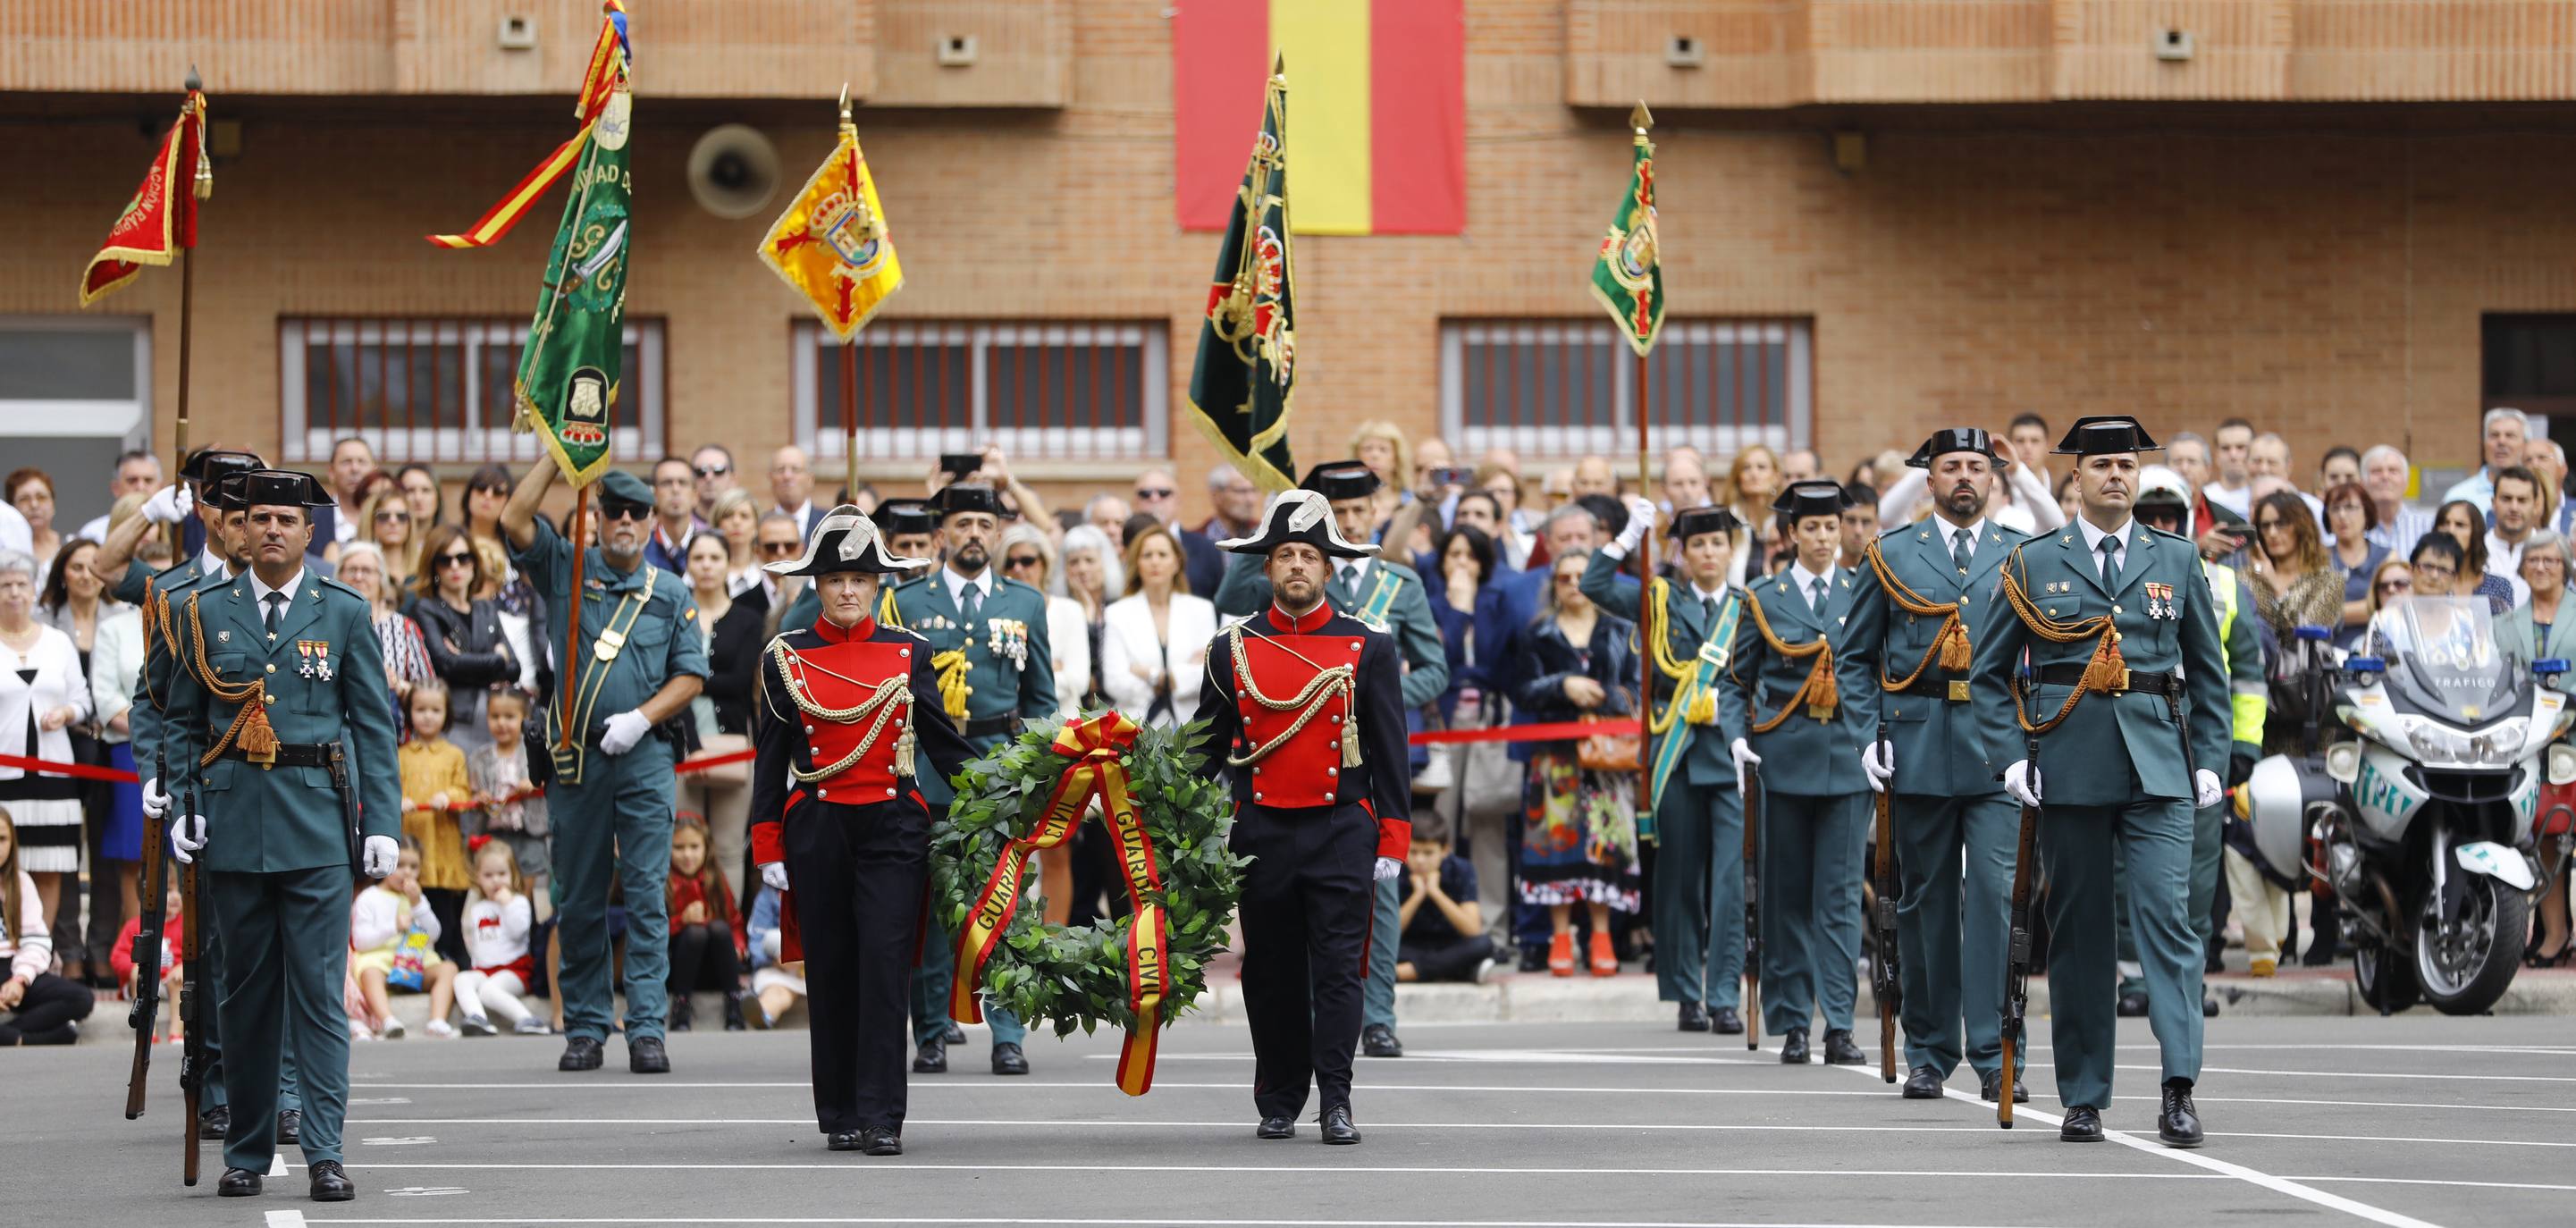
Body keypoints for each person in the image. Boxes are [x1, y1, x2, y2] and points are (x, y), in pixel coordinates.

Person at [1969, 417, 2227, 1149]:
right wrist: (2012, 758)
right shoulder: (2033, 562)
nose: (2117, 474)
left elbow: (2209, 671)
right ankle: (2084, 1095)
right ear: (2074, 479)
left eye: (2126, 463)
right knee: (2080, 935)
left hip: (2159, 765)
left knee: (2166, 923)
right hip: (2069, 764)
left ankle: (2179, 1087)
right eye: (2102, 464)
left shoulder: (2175, 560)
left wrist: (2209, 759)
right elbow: (1990, 675)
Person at [156, 468, 401, 1199]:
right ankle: (248, 1150)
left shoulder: (344, 613)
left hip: (319, 826)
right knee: (246, 1000)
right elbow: (178, 720)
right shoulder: (204, 611)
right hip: (232, 826)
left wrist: (382, 822)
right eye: (259, 517)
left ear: (309, 531)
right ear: (240, 526)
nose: (271, 529)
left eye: (285, 520)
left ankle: (325, 1150)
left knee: (321, 998)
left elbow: (373, 726)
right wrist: (181, 807)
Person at [748, 505, 974, 1155]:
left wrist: (1012, 789)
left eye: (861, 578)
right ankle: (840, 1111)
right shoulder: (785, 656)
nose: (848, 590)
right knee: (832, 968)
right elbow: (771, 757)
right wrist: (768, 844)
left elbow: (943, 744)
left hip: (893, 825)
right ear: (816, 585)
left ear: (879, 586)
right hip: (817, 824)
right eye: (835, 578)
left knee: (883, 968)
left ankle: (882, 1117)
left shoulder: (910, 653)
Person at [1214, 461, 1449, 1061]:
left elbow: (1433, 671)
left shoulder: (1394, 590)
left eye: (1358, 508)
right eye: (1336, 508)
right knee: (1277, 957)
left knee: (1365, 925)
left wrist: (1370, 698)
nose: (1349, 517)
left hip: (1354, 778)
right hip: (1273, 802)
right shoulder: (1263, 611)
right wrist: (1270, 521)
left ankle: (1378, 1015)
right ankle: (1294, 1070)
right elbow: (1234, 602)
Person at [1198, 488, 1410, 1144]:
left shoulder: (1367, 645)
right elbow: (1204, 749)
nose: (1296, 566)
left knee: (1340, 969)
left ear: (1328, 569)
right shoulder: (1229, 649)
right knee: (1270, 971)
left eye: (1308, 556)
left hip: (1342, 828)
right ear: (1268, 568)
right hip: (1261, 826)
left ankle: (1337, 1099)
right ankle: (1280, 1097)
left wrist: (1394, 838)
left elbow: (1390, 751)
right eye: (1285, 554)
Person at [1838, 429, 2028, 1102]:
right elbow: (1855, 658)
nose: (1965, 477)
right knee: (1924, 905)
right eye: (1952, 467)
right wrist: (1867, 736)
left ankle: (1997, 1048)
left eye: (1977, 466)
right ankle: (1929, 1050)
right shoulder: (1891, 554)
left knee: (1998, 898)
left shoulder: (2022, 554)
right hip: (1916, 744)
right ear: (1930, 481)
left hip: (1998, 750)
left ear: (1995, 478)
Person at [500, 461, 708, 1076]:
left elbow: (691, 673)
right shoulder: (565, 567)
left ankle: (646, 1026)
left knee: (646, 895)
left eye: (635, 513)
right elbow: (514, 519)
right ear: (597, 517)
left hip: (642, 754)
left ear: (651, 522)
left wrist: (643, 718)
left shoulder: (669, 592)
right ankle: (587, 1026)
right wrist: (557, 458)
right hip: (576, 754)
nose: (622, 521)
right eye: (612, 510)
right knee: (581, 898)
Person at [889, 483, 1053, 1077]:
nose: (974, 536)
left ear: (999, 534)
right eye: (962, 525)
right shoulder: (906, 602)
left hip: (1001, 767)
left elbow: (1039, 698)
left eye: (985, 525)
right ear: (941, 537)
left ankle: (1008, 1033)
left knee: (1002, 906)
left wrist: (1040, 775)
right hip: (930, 770)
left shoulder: (1025, 603)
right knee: (930, 906)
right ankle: (931, 1031)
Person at [1587, 501, 1749, 1032]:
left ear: (1731, 549)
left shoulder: (1749, 605)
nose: (1708, 553)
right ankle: (1685, 992)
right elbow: (1594, 585)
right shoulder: (1658, 598)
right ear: (1681, 551)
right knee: (1679, 878)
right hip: (1676, 757)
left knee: (1728, 883)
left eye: (1717, 543)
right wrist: (1627, 537)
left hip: (1730, 760)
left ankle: (1724, 994)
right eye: (1698, 544)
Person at [1722, 480, 1869, 1065]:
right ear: (1791, 535)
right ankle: (1790, 1021)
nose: (1824, 538)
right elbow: (1735, 681)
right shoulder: (1763, 596)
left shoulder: (1863, 592)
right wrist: (1736, 738)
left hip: (1849, 762)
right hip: (1782, 761)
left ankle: (1838, 1022)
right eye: (1812, 528)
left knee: (1839, 898)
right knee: (1785, 898)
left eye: (1832, 527)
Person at [2118, 467, 2264, 1014]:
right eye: (2150, 516)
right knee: (2123, 874)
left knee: (2198, 874)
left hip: (2195, 746)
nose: (2160, 525)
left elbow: (2245, 675)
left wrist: (2239, 748)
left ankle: (2187, 981)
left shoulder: (2220, 581)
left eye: (2169, 517)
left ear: (2187, 521)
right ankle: (2134, 982)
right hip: (2132, 741)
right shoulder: (2113, 573)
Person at [1509, 551, 1643, 978]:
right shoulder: (1538, 632)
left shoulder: (1621, 629)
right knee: (1555, 844)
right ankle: (1560, 938)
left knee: (1604, 844)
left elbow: (1638, 691)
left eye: (1582, 576)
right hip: (1555, 756)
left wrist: (1600, 693)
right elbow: (1522, 691)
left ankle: (1601, 936)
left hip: (1607, 755)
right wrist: (1562, 685)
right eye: (1564, 577)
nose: (1573, 584)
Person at [38, 538, 125, 980]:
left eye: (95, 566)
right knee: (63, 849)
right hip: (57, 746)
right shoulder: (43, 622)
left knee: (107, 849)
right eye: (76, 567)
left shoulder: (122, 618)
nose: (87, 574)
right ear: (62, 573)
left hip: (109, 746)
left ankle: (103, 946)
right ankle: (67, 947)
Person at [0, 549, 88, 930]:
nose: (14, 592)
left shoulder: (57, 642)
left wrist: (67, 713)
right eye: (5, 585)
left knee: (50, 866)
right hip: (6, 774)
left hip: (54, 771)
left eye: (21, 583)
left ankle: (42, 946)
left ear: (34, 589)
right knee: (6, 864)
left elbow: (83, 700)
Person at [2499, 532, 2575, 966]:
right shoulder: (2503, 624)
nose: (2542, 567)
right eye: (2534, 560)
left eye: (2551, 560)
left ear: (2566, 567)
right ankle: (2554, 935)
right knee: (2545, 831)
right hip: (2527, 745)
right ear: (2523, 568)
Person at [683, 530, 763, 894]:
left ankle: (729, 941)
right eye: (699, 558)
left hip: (734, 745)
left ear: (727, 564)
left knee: (730, 849)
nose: (707, 566)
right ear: (688, 564)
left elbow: (740, 681)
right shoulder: (676, 613)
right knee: (683, 844)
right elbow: (664, 677)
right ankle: (686, 933)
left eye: (715, 558)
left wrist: (690, 678)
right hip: (682, 744)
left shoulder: (747, 618)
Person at [85, 537, 147, 980]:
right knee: (134, 857)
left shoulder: (191, 615)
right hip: (128, 750)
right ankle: (138, 958)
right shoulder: (113, 627)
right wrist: (150, 727)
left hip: (186, 748)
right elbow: (105, 698)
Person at [411, 525, 517, 753]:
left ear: (474, 563)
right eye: (445, 560)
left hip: (494, 718)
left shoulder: (486, 608)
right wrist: (496, 661)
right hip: (455, 719)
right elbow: (447, 664)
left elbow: (515, 668)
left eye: (463, 558)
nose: (455, 566)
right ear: (434, 567)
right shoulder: (426, 609)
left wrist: (466, 661)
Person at [1101, 524, 1216, 729]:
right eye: (1147, 555)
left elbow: (1208, 674)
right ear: (1136, 562)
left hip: (1191, 729)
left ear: (1177, 562)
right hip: (1134, 730)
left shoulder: (1202, 610)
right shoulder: (1117, 613)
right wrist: (1176, 679)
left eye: (1162, 554)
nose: (1155, 561)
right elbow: (1114, 680)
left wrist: (1152, 676)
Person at [349, 839, 460, 1039]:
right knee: (370, 972)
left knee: (449, 969)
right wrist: (393, 927)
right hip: (381, 959)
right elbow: (360, 941)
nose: (407, 872)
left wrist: (418, 905)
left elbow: (434, 934)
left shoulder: (418, 899)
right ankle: (388, 1021)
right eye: (399, 865)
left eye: (414, 867)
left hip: (414, 958)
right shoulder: (370, 897)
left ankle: (437, 1020)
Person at [0, 807, 94, 1044]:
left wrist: (19, 980)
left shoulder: (21, 883)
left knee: (80, 998)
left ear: (12, 843)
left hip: (14, 967)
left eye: (2, 839)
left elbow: (37, 940)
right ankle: (28, 1039)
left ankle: (12, 1034)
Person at [397, 683, 474, 966]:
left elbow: (464, 791)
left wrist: (449, 796)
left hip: (443, 845)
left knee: (444, 909)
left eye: (435, 710)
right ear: (409, 713)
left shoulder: (454, 754)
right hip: (413, 846)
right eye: (420, 710)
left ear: (447, 713)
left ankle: (450, 960)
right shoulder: (402, 754)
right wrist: (400, 799)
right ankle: (417, 961)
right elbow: (392, 789)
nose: (428, 716)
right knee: (416, 906)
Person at [465, 686, 550, 910]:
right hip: (494, 834)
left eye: (510, 717)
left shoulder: (535, 752)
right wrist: (479, 796)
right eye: (495, 716)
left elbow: (549, 782)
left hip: (529, 831)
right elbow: (473, 791)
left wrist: (534, 782)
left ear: (525, 718)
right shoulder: (479, 758)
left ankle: (530, 934)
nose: (502, 723)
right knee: (494, 891)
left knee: (528, 892)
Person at [452, 837, 543, 1034]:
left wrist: (507, 905)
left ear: (513, 874)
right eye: (488, 875)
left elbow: (519, 931)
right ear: (478, 878)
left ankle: (527, 1019)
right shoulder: (478, 907)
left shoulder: (518, 902)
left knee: (488, 991)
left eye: (502, 874)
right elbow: (473, 939)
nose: (496, 880)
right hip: (484, 970)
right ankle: (477, 1018)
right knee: (461, 979)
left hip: (514, 970)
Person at [665, 812, 746, 1031]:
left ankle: (733, 1002)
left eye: (694, 846)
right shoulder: (663, 882)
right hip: (676, 967)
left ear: (706, 847)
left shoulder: (714, 878)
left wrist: (738, 945)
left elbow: (735, 921)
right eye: (679, 848)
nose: (687, 855)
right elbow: (653, 931)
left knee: (719, 928)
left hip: (714, 967)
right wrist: (681, 921)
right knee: (695, 933)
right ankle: (680, 1006)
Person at [999, 525, 1089, 722]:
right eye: (1009, 562)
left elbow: (1078, 681)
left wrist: (1023, 674)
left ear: (1045, 563)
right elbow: (998, 685)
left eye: (1027, 560)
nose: (1018, 568)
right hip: (1009, 728)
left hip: (1063, 728)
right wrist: (1049, 667)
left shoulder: (1070, 610)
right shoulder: (996, 614)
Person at [1394, 823, 1488, 983]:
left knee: (1483, 945)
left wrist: (1436, 893)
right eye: (1413, 852)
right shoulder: (1396, 870)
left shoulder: (1461, 869)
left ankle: (1403, 973)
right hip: (1409, 945)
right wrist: (1417, 896)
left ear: (1445, 850)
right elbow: (1388, 933)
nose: (1420, 860)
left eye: (1428, 853)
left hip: (1449, 944)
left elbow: (1473, 930)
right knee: (1371, 949)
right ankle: (1455, 970)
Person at [2323, 482, 2387, 649]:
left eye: (2350, 507)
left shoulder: (2387, 557)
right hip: (2326, 651)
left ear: (2367, 512)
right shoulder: (2318, 557)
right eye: (2335, 509)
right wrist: (2368, 609)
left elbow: (2391, 607)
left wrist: (2333, 613)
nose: (2342, 515)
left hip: (2377, 648)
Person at [2432, 500, 2516, 614]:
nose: (2451, 531)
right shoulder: (2428, 582)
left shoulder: (2499, 587)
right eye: (2445, 524)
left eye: (2460, 525)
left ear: (2476, 532)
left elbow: (2505, 630)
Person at [744, 882, 805, 1030]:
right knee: (778, 993)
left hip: (817, 968)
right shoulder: (769, 895)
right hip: (779, 969)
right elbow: (756, 942)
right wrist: (776, 961)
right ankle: (765, 1014)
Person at [2443, 407, 2529, 513]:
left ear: (2525, 445)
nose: (2501, 441)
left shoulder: (2538, 495)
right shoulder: (2458, 496)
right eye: (2494, 435)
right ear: (2484, 444)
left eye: (2510, 436)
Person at [73, 450, 161, 543]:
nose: (140, 487)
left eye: (148, 480)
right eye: (132, 481)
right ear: (116, 488)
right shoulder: (93, 534)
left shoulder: (174, 530)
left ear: (161, 488)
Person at [1723, 446, 1782, 585]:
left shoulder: (1786, 522)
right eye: (1746, 468)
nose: (1754, 474)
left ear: (1776, 476)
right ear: (1738, 477)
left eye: (1761, 467)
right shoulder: (1727, 521)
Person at [2487, 467, 2544, 604]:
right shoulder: (2474, 551)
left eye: (2522, 500)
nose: (2514, 507)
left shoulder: (2551, 554)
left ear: (2536, 505)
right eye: (2506, 499)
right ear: (2493, 503)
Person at [643, 456, 704, 576]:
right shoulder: (641, 552)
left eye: (683, 483)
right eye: (666, 483)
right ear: (654, 495)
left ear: (695, 496)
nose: (675, 489)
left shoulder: (711, 549)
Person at [358, 479, 417, 592]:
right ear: (371, 522)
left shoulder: (423, 570)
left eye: (401, 516)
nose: (393, 521)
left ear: (410, 524)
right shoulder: (359, 572)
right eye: (384, 516)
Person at [709, 488, 763, 597]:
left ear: (756, 526)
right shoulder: (704, 569)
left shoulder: (767, 573)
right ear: (717, 524)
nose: (736, 522)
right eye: (728, 515)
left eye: (744, 516)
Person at [6, 468, 63, 568]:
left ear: (53, 504)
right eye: (24, 499)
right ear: (11, 508)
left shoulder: (69, 546)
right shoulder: (5, 550)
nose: (34, 505)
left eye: (41, 497)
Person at [2204, 418, 2255, 519]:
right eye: (2225, 448)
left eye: (2240, 447)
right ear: (2216, 456)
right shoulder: (2204, 498)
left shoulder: (2261, 496)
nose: (2233, 455)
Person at [769, 445, 823, 538]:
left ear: (810, 479)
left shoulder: (828, 524)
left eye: (795, 469)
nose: (787, 476)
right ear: (770, 478)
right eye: (780, 470)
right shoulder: (759, 526)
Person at [690, 445, 739, 522]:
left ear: (733, 480)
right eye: (701, 472)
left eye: (718, 471)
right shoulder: (680, 526)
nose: (709, 477)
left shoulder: (746, 525)